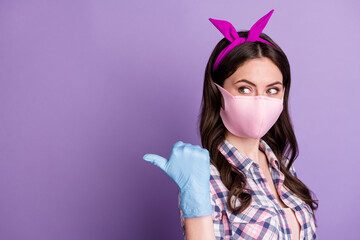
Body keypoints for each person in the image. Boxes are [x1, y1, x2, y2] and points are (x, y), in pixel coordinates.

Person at [143, 9, 318, 240]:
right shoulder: (203, 177)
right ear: (218, 92)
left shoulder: (283, 166)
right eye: (245, 88)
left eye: (272, 90)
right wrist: (195, 199)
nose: (260, 100)